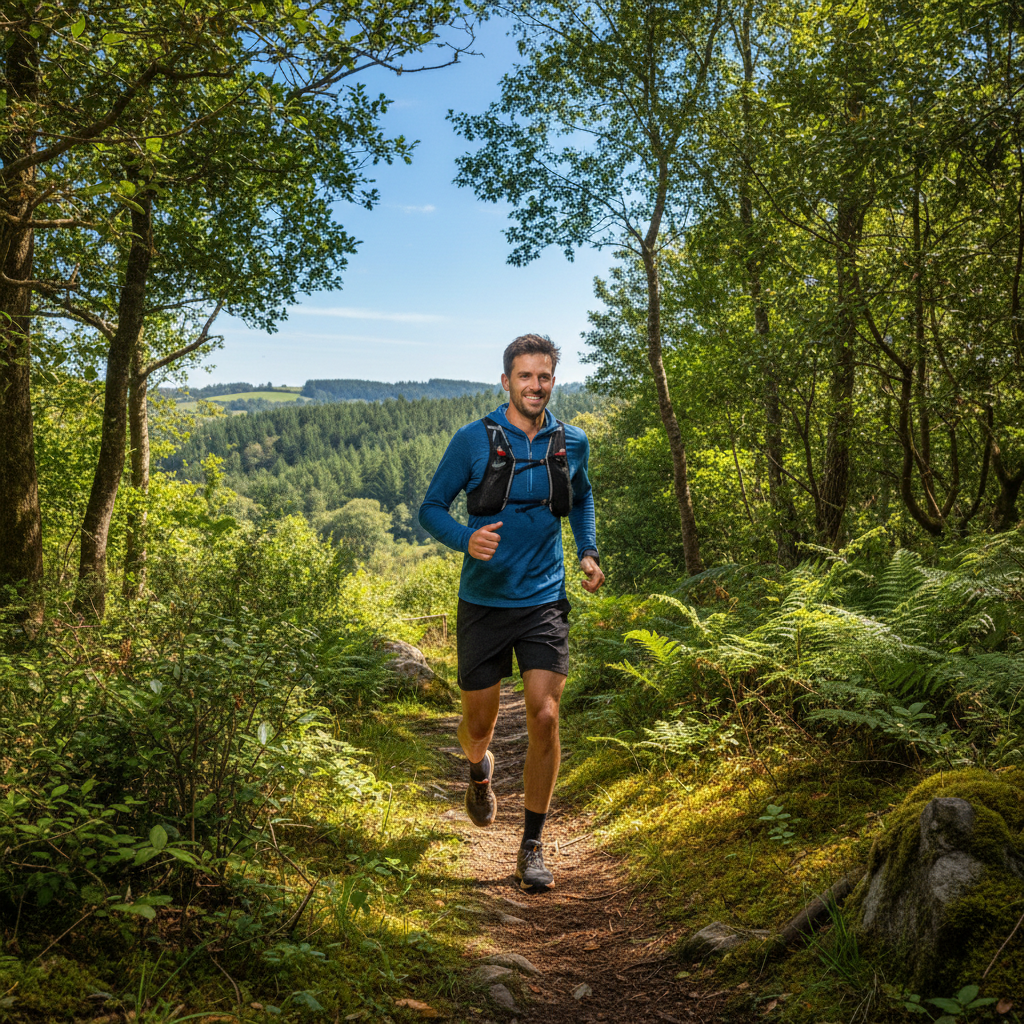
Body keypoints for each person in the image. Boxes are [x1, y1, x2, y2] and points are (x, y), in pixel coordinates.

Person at [418, 334, 604, 891]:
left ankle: (531, 846)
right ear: (506, 382)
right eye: (525, 376)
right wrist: (464, 539)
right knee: (479, 727)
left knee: (545, 715)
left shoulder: (572, 441)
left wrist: (588, 551)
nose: (535, 386)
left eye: (544, 376)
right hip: (483, 601)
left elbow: (584, 496)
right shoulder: (472, 441)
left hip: (545, 598)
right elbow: (430, 508)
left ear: (553, 380)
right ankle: (479, 770)